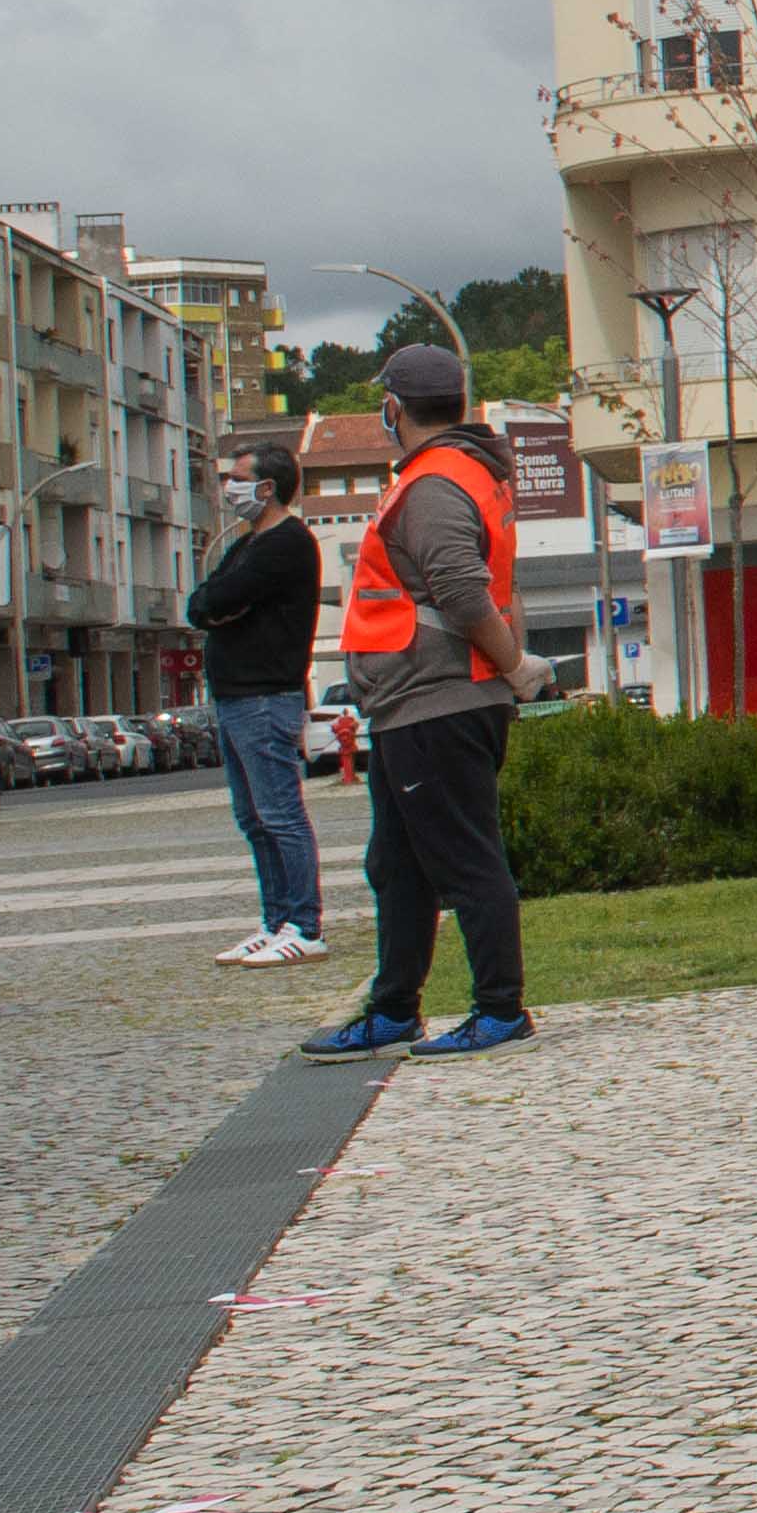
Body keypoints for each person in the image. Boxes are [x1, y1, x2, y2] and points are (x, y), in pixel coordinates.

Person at [294, 346, 544, 1061]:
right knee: (396, 864)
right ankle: (394, 1008)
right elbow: (496, 585)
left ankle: (500, 1010)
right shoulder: (466, 474)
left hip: (437, 703)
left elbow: (464, 594)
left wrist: (511, 666)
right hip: (417, 705)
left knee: (467, 862)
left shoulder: (433, 483)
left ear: (394, 406)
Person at [189, 446, 329, 967]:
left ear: (267, 487)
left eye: (237, 478)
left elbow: (218, 601)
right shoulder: (246, 544)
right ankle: (275, 920)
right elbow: (202, 604)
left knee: (280, 815)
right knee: (253, 818)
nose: (228, 486)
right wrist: (217, 606)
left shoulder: (286, 544)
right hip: (234, 697)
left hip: (266, 695)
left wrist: (220, 606)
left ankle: (304, 924)